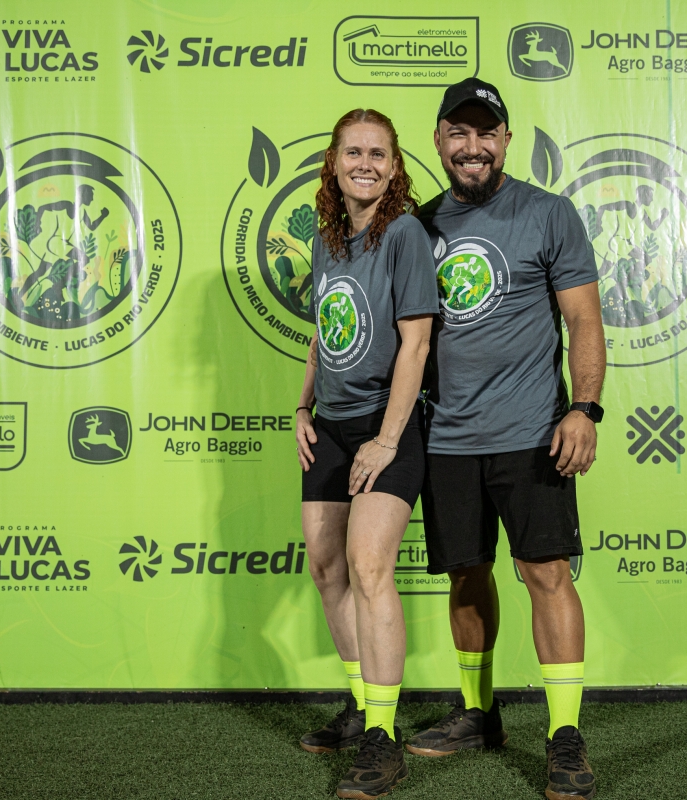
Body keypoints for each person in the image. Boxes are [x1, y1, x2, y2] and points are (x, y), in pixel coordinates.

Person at [406, 78, 607, 800]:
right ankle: (477, 713)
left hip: (531, 433)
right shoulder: (416, 226)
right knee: (465, 573)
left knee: (546, 571)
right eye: (459, 133)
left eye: (486, 133)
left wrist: (584, 408)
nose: (473, 146)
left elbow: (583, 319)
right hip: (445, 437)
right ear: (438, 140)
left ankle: (564, 733)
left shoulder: (548, 213)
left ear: (506, 141)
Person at [293, 108, 438, 799]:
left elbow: (417, 342)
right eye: (353, 152)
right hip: (331, 425)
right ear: (334, 161)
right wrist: (302, 407)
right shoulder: (327, 238)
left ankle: (382, 737)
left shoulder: (404, 232)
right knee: (327, 568)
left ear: (394, 165)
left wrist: (386, 438)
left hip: (388, 426)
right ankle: (360, 706)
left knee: (369, 566)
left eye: (378, 153)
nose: (365, 164)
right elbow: (323, 332)